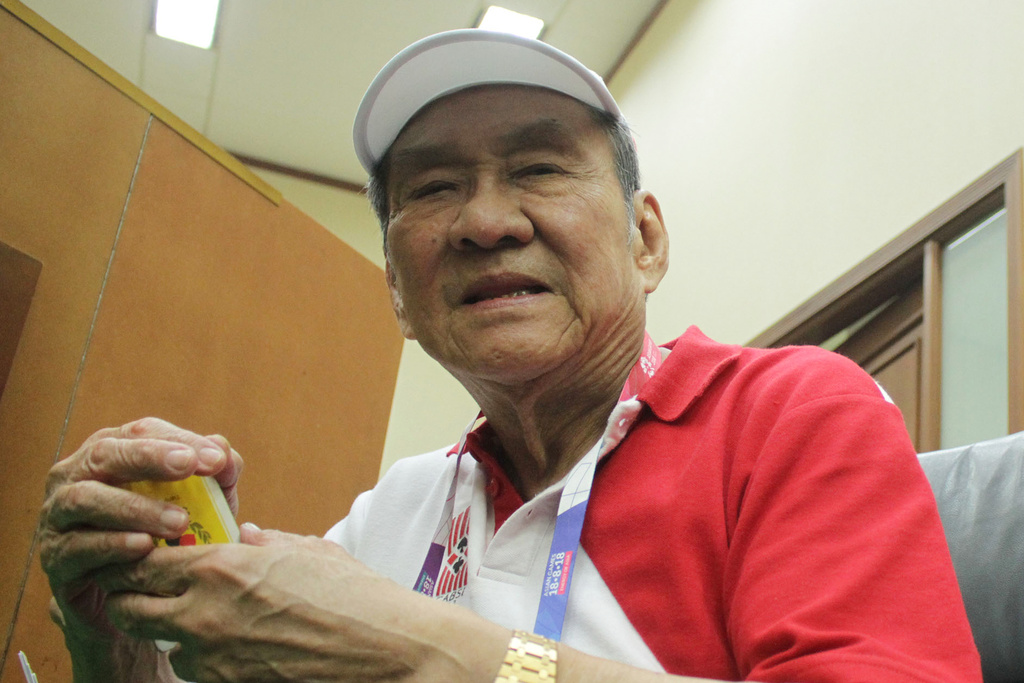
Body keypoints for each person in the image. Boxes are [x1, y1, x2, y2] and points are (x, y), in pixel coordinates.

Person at [38, 29, 981, 683]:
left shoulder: (791, 411)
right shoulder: (394, 513)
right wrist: (111, 639)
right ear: (398, 293)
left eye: (537, 169)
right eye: (434, 189)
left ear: (646, 240)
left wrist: (407, 645)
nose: (485, 222)